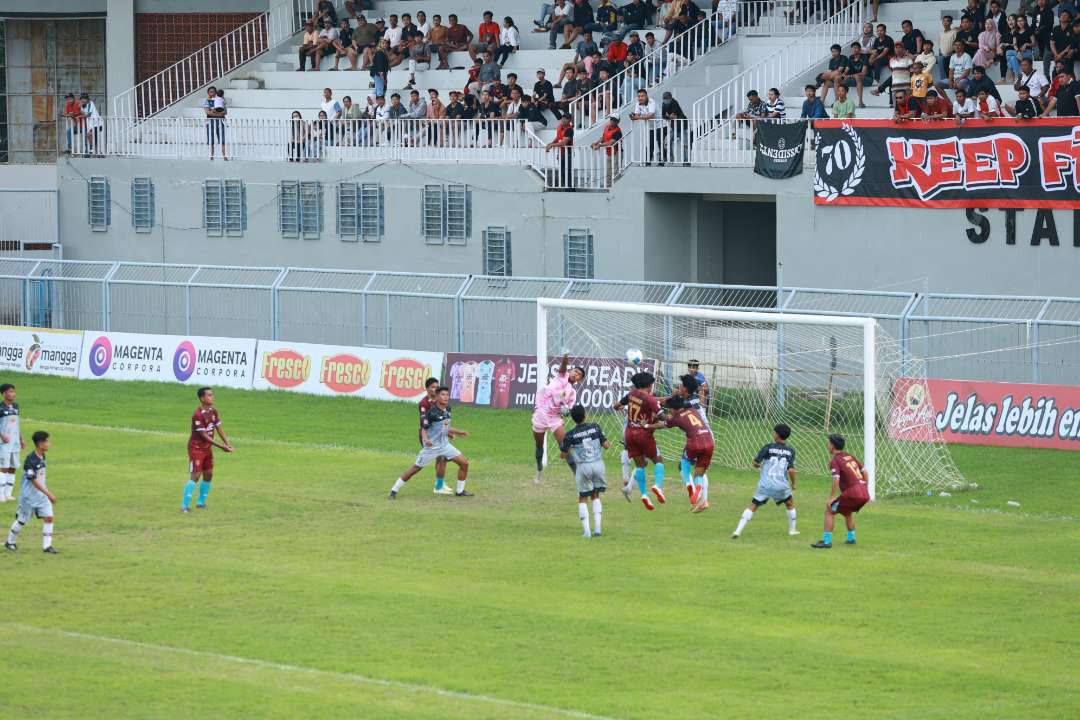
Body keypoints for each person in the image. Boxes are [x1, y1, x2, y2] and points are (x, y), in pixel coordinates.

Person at [391, 386, 472, 499]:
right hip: (432, 447)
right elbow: (424, 428)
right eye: (443, 395)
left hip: (445, 445)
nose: (446, 397)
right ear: (437, 397)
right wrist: (426, 439)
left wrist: (458, 432)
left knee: (464, 463)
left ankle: (460, 491)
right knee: (416, 468)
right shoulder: (431, 413)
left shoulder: (448, 408)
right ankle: (394, 490)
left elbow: (445, 426)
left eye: (447, 395)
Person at [650, 375, 713, 513]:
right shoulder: (689, 399)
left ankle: (702, 499)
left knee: (691, 467)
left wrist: (649, 403)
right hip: (705, 436)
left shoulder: (686, 403)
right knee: (698, 469)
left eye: (680, 385)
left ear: (685, 388)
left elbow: (668, 412)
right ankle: (701, 497)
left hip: (701, 436)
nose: (678, 387)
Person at [732, 423, 798, 539]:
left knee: (753, 505)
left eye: (774, 432)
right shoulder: (791, 451)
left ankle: (738, 531)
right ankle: (792, 530)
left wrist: (760, 466)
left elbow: (755, 462)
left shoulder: (767, 447)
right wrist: (793, 483)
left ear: (776, 435)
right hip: (781, 485)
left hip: (765, 484)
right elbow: (791, 470)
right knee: (790, 503)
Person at [614, 371, 665, 511]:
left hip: (630, 433)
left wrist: (619, 406)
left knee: (641, 464)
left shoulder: (631, 394)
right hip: (643, 434)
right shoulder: (649, 399)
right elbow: (662, 417)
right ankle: (657, 486)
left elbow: (617, 405)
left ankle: (642, 493)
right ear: (649, 385)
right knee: (658, 461)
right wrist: (673, 419)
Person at [531, 353, 585, 483]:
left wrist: (566, 411)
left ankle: (578, 477)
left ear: (579, 380)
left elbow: (568, 411)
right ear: (571, 371)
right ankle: (539, 469)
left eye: (578, 375)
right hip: (542, 413)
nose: (575, 374)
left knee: (565, 446)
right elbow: (563, 366)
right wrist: (565, 357)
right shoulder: (562, 376)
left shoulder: (572, 393)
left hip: (555, 417)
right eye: (575, 371)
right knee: (539, 444)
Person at [811, 434, 870, 549]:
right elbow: (865, 472)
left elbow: (836, 479)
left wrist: (832, 497)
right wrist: (865, 488)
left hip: (853, 492)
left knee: (829, 510)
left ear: (832, 446)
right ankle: (851, 538)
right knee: (847, 512)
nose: (827, 445)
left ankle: (826, 541)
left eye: (828, 443)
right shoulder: (849, 456)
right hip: (863, 493)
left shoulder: (835, 460)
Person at [559, 405, 610, 537]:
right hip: (598, 464)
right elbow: (607, 446)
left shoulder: (570, 435)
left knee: (582, 497)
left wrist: (569, 447)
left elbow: (563, 455)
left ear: (573, 419)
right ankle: (598, 528)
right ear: (585, 415)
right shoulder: (595, 427)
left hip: (583, 467)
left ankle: (587, 531)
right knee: (595, 495)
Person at [182, 387, 233, 513]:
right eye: (209, 395)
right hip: (196, 448)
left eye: (212, 395)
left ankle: (200, 503)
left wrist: (228, 444)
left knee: (209, 474)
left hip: (207, 449)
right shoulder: (197, 415)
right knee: (196, 475)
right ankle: (184, 506)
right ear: (202, 398)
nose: (212, 397)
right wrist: (221, 447)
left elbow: (219, 429)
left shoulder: (213, 411)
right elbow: (204, 435)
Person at [4, 431, 57, 553]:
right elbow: (33, 480)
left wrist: (46, 493)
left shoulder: (42, 456)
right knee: (22, 520)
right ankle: (10, 542)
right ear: (40, 444)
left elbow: (40, 478)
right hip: (28, 496)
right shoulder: (30, 460)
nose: (49, 444)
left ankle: (47, 547)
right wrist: (49, 494)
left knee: (49, 517)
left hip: (41, 495)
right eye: (47, 441)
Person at [417, 377, 452, 494]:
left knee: (442, 459)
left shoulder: (441, 402)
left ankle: (439, 484)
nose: (434, 389)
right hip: (429, 435)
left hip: (440, 435)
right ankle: (439, 485)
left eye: (436, 387)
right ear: (427, 389)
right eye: (432, 387)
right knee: (438, 459)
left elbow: (444, 420)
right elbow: (424, 423)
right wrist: (426, 438)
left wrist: (448, 432)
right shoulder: (424, 403)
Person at [0, 383, 22, 503]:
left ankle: (8, 494)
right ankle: (1, 495)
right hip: (4, 443)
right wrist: (2, 436)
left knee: (13, 468)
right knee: (3, 468)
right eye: (10, 392)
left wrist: (21, 439)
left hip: (15, 443)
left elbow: (16, 424)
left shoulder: (16, 406)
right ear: (4, 394)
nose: (13, 394)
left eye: (14, 391)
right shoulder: (0, 408)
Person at [546, 114, 575, 188]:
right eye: (563, 118)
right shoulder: (560, 127)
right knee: (562, 172)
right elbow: (558, 137)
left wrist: (552, 145)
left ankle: (569, 189)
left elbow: (564, 142)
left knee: (567, 172)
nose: (564, 120)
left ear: (569, 120)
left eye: (566, 119)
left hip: (568, 154)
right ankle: (566, 187)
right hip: (561, 153)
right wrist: (551, 143)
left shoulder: (569, 129)